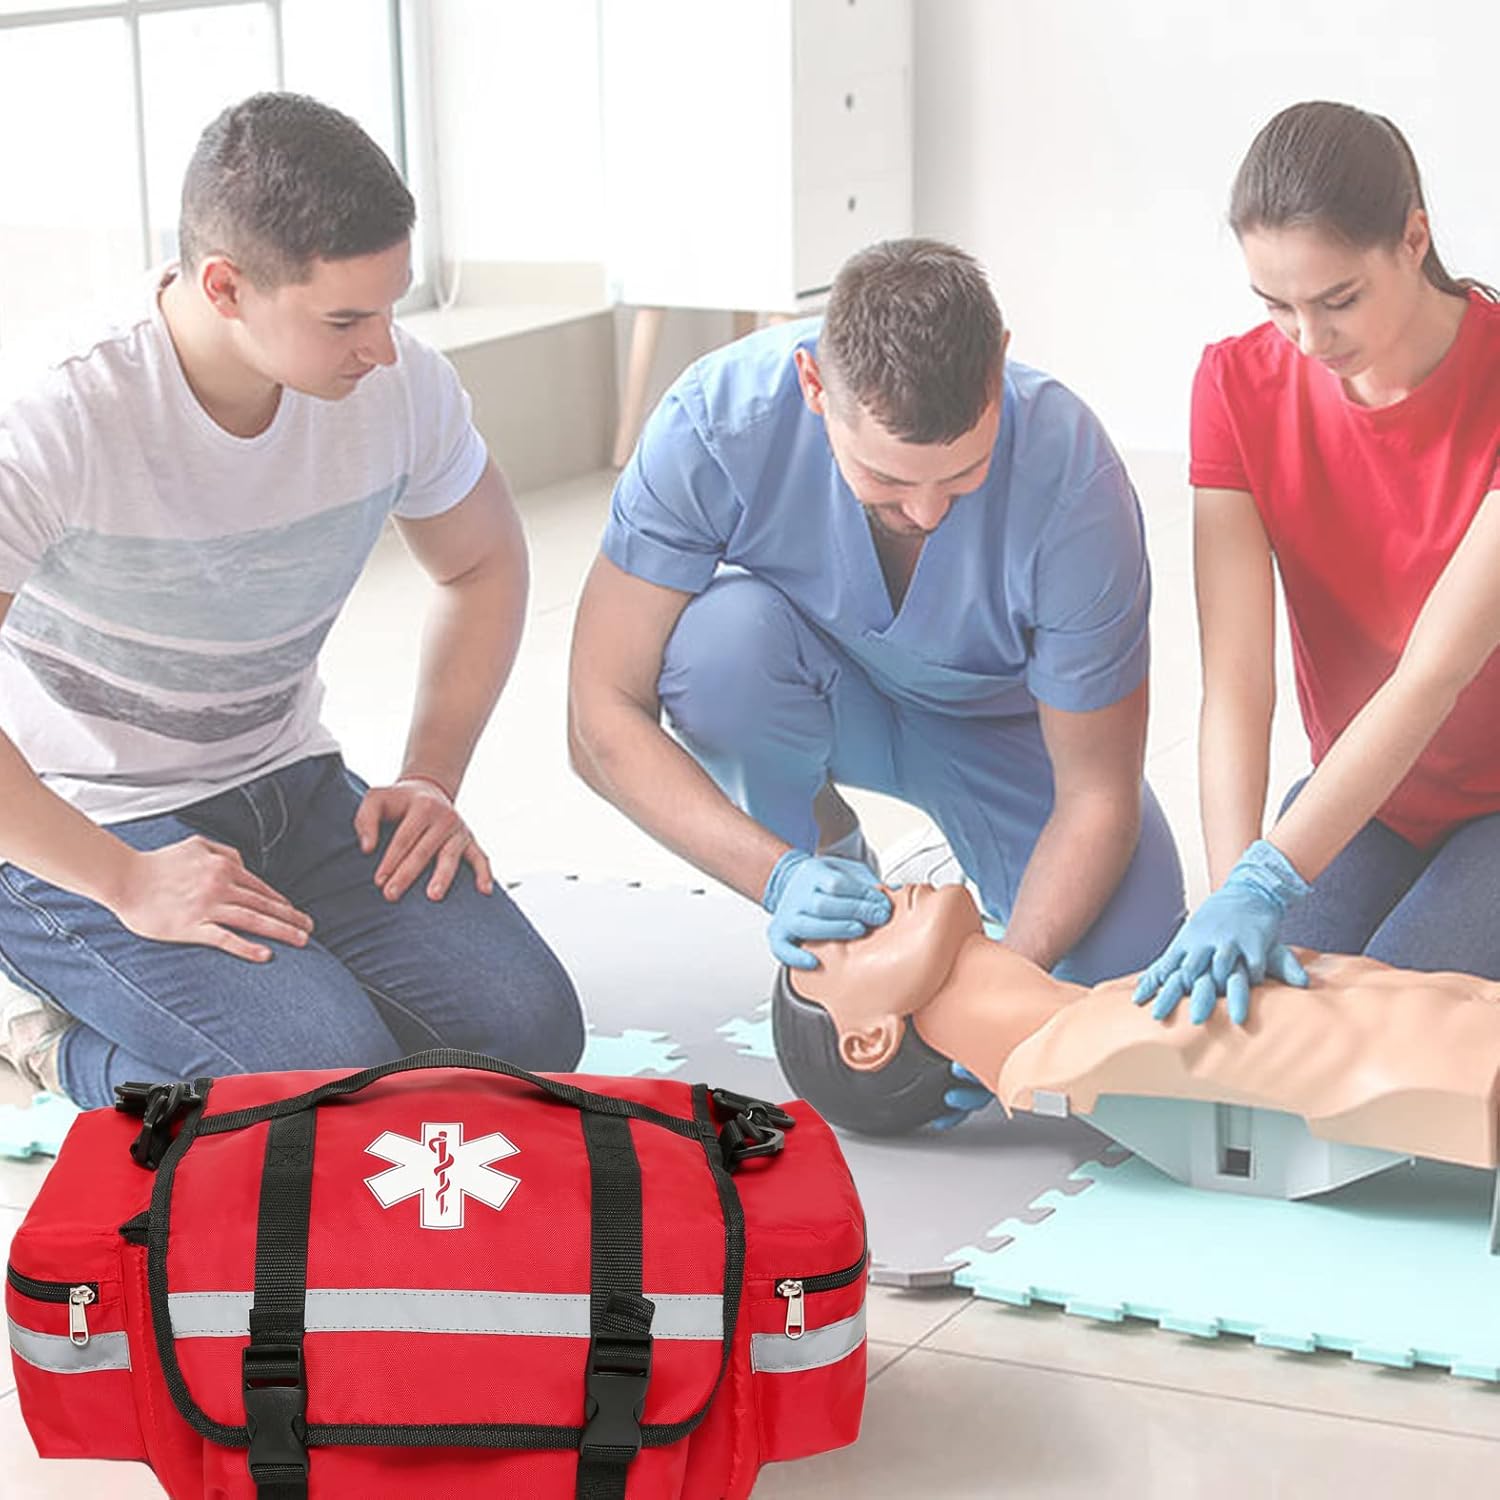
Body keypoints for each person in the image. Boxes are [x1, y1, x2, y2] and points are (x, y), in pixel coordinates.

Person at [0, 93, 583, 1108]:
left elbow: (483, 564)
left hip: (292, 787)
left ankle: (257, 1010)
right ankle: (49, 1047)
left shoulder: (397, 387)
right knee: (316, 1087)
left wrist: (430, 776)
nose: (384, 349)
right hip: (84, 822)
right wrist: (128, 882)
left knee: (528, 1034)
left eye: (392, 306)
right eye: (346, 318)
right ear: (224, 286)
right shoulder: (55, 412)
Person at [569, 239, 1185, 1128]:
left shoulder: (1073, 479)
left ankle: (940, 874)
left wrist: (1008, 975)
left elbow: (1096, 795)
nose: (928, 511)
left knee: (1121, 986)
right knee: (716, 650)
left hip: (1001, 726)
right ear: (814, 387)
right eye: (888, 481)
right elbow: (598, 716)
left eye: (965, 474)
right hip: (813, 683)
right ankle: (832, 864)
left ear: (999, 365)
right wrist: (777, 876)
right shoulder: (716, 424)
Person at [1135, 101, 1500, 1027]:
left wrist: (1272, 874)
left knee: (1387, 1033)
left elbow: (1435, 673)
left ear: (1414, 239)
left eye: (1338, 300)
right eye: (1277, 306)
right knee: (1262, 1023)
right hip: (1365, 796)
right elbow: (1237, 684)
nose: (1309, 338)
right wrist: (1231, 891)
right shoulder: (1234, 385)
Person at [779, 881, 1500, 1170]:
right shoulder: (1105, 1047)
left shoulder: (1115, 1004)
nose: (873, 898)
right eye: (846, 940)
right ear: (869, 1039)